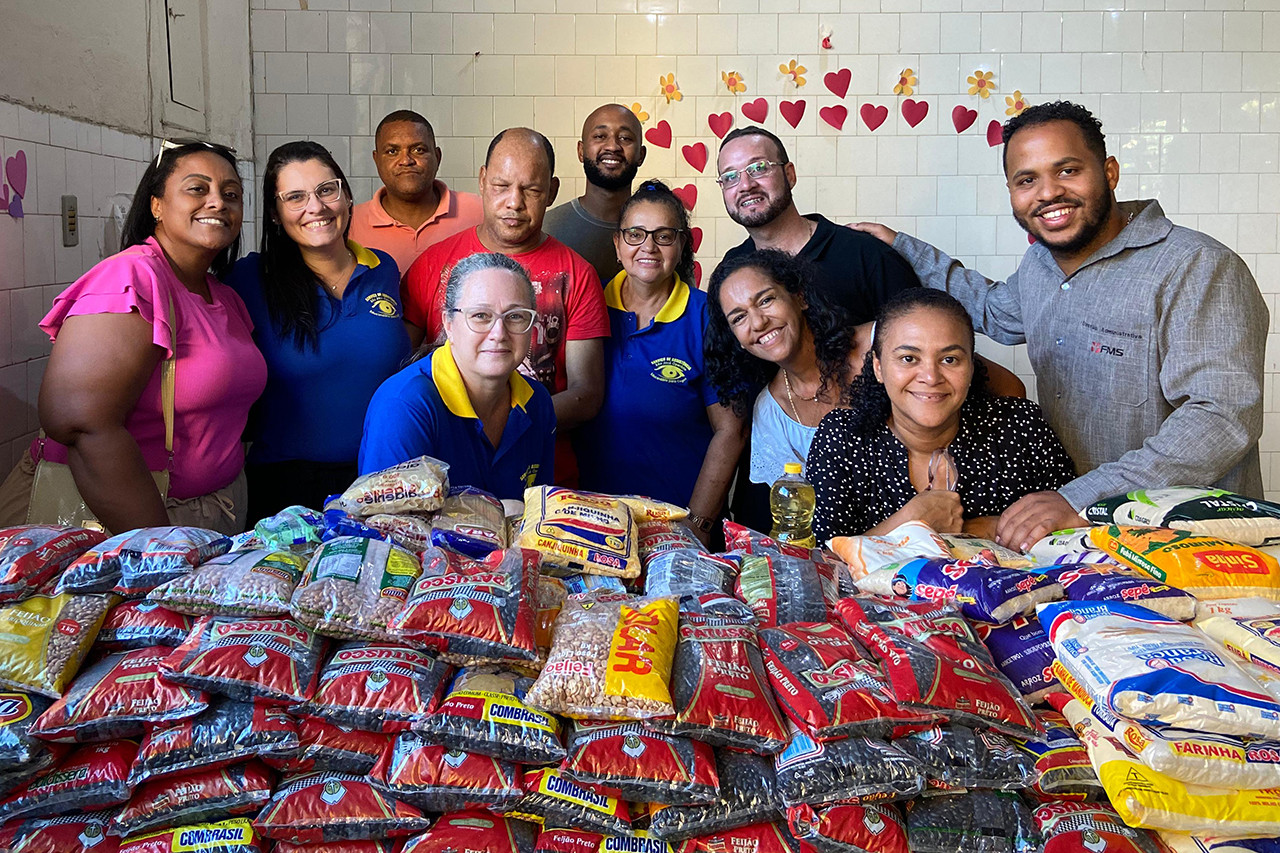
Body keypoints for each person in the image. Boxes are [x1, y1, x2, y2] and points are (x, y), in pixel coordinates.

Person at [852, 101, 1268, 551]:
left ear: (1109, 172)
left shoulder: (1197, 267)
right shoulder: (1041, 266)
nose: (1048, 193)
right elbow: (993, 310)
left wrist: (1080, 498)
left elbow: (1221, 419)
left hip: (1191, 544)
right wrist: (903, 247)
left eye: (1067, 170)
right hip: (1084, 547)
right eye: (1027, 180)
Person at [0, 140, 267, 534]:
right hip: (126, 525)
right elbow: (80, 421)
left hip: (209, 514)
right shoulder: (129, 278)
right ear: (156, 204)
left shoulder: (224, 295)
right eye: (197, 188)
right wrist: (156, 545)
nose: (217, 202)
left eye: (231, 194)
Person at [401, 127, 609, 484]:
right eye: (501, 186)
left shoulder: (577, 274)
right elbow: (403, 374)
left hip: (543, 479)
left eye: (531, 189)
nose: (514, 202)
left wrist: (509, 423)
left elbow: (586, 395)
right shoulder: (433, 265)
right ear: (482, 181)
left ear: (552, 192)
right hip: (445, 473)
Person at [225, 141, 411, 521]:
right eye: (295, 197)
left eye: (327, 190)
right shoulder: (250, 279)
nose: (316, 207)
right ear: (275, 214)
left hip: (382, 482)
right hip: (286, 490)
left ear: (345, 196)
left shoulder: (384, 270)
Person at [808, 288, 1075, 542]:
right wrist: (911, 525)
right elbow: (821, 565)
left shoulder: (1020, 428)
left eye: (949, 359)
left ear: (971, 366)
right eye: (909, 358)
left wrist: (985, 530)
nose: (930, 377)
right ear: (878, 367)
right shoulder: (841, 438)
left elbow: (1077, 528)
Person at [575, 181, 745, 542]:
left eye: (664, 236)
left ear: (682, 245)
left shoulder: (706, 317)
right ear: (617, 244)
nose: (648, 247)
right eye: (635, 234)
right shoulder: (588, 305)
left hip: (676, 529)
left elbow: (731, 430)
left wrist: (696, 527)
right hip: (591, 526)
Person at [359, 253, 555, 501]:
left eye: (515, 316)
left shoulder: (537, 402)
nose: (499, 333)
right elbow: (387, 528)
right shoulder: (404, 406)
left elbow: (539, 514)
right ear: (448, 323)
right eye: (481, 316)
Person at [705, 249, 864, 533]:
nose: (758, 322)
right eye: (739, 318)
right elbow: (803, 522)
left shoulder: (876, 350)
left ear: (799, 297)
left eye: (766, 300)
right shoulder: (771, 410)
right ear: (737, 339)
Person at [716, 126, 919, 324]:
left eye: (758, 168)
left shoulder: (867, 255)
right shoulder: (732, 268)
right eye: (730, 176)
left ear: (789, 175)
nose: (745, 185)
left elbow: (921, 342)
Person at [349, 110, 483, 276]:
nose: (406, 160)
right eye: (392, 151)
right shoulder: (349, 223)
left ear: (437, 156)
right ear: (376, 160)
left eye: (418, 150)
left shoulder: (480, 212)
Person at [543, 103, 647, 283]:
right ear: (581, 151)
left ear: (641, 155)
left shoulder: (659, 232)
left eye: (625, 138)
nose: (613, 146)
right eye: (600, 136)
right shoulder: (546, 229)